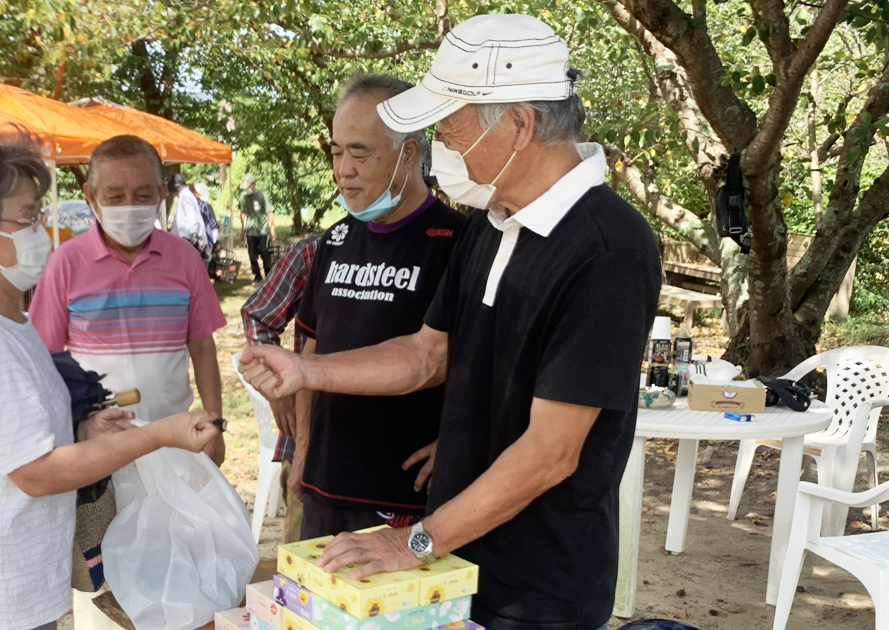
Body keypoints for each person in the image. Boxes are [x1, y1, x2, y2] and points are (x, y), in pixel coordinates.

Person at [240, 14, 661, 630]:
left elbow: (551, 452)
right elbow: (425, 355)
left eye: (450, 125)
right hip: (452, 560)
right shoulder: (492, 223)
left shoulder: (608, 249)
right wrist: (304, 368)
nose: (440, 143)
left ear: (518, 124)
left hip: (537, 589)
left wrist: (411, 542)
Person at [0, 133, 221, 630]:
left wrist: (83, 432)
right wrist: (157, 434)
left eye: (40, 215)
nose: (41, 231)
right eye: (27, 218)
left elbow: (20, 439)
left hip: (22, 573)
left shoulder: (9, 320)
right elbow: (36, 472)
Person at [292, 73, 464, 538]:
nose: (342, 169)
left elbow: (487, 366)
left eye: (359, 152)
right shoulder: (334, 241)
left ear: (408, 153)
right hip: (325, 487)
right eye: (336, 151)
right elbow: (310, 351)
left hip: (407, 496)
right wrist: (303, 453)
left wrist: (459, 443)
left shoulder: (458, 243)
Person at [29, 136, 227, 466]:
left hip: (175, 440)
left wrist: (216, 426)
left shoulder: (185, 259)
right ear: (91, 197)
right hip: (98, 446)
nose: (129, 206)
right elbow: (43, 358)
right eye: (115, 196)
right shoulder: (65, 262)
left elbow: (203, 348)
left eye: (143, 195)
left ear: (162, 193)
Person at [239, 233, 321, 543]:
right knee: (305, 567)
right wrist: (279, 389)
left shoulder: (445, 240)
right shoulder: (314, 252)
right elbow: (258, 315)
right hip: (310, 441)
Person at [238, 173, 275, 283]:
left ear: (253, 185)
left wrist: (272, 229)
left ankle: (268, 276)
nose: (246, 190)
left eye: (248, 187)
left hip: (263, 229)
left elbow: (270, 213)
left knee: (265, 253)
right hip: (251, 230)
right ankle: (257, 276)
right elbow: (242, 213)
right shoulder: (243, 197)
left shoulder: (263, 196)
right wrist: (242, 230)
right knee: (252, 255)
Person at [170, 173, 210, 261]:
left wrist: (194, 233)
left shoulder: (186, 196)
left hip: (188, 238)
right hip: (185, 238)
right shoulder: (185, 195)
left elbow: (191, 215)